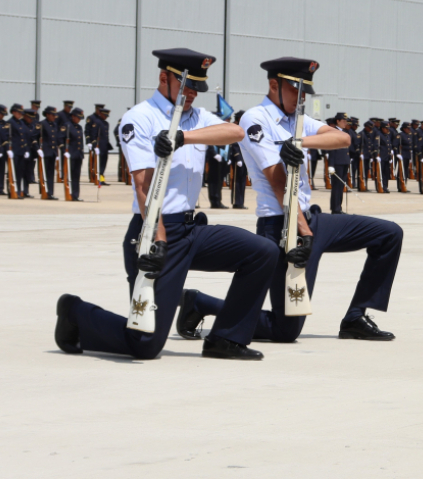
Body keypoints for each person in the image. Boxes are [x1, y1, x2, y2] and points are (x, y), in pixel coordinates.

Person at [54, 48, 275, 360]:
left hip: (190, 230)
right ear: (163, 77)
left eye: (196, 90)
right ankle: (75, 311)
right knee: (145, 345)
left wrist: (183, 136)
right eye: (186, 87)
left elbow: (236, 131)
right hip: (155, 229)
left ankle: (226, 339)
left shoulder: (197, 118)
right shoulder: (139, 118)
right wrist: (157, 238)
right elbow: (143, 187)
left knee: (263, 252)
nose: (191, 96)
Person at [178, 57, 403, 343]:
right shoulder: (256, 119)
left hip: (311, 220)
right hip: (282, 227)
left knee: (389, 234)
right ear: (274, 85)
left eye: (304, 93)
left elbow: (342, 139)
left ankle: (356, 317)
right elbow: (277, 181)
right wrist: (304, 233)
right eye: (295, 91)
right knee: (285, 331)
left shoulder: (299, 121)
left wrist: (299, 143)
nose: (301, 99)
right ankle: (201, 303)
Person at [327, 112, 352, 213]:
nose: (345, 123)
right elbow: (332, 149)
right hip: (337, 163)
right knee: (336, 187)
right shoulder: (334, 132)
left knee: (341, 186)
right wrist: (331, 165)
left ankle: (339, 207)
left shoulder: (344, 132)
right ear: (338, 121)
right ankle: (335, 208)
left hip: (344, 162)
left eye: (346, 121)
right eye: (343, 121)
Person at [40, 106, 64, 200]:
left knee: (50, 174)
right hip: (45, 152)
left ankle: (50, 192)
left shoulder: (54, 125)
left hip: (53, 153)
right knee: (44, 173)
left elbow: (56, 138)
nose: (54, 117)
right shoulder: (42, 124)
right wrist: (38, 149)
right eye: (52, 115)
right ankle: (44, 192)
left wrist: (58, 151)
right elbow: (35, 137)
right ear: (47, 115)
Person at [228, 112, 248, 209]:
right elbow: (234, 143)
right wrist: (238, 157)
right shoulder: (235, 127)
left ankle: (240, 202)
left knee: (242, 181)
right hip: (238, 159)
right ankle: (236, 202)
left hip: (244, 158)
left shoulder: (243, 127)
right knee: (237, 181)